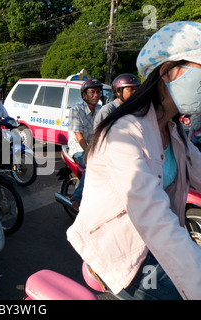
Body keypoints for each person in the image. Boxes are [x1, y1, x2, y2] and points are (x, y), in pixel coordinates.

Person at [67, 21, 201, 300]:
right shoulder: (122, 130)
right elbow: (153, 219)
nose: (94, 94)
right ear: (168, 72)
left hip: (152, 240)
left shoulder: (176, 131)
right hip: (121, 248)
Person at [67, 79, 103, 211]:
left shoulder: (101, 110)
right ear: (84, 95)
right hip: (79, 148)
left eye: (98, 92)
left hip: (94, 147)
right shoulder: (76, 109)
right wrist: (89, 154)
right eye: (92, 92)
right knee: (92, 167)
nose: (96, 95)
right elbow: (78, 135)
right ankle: (76, 198)